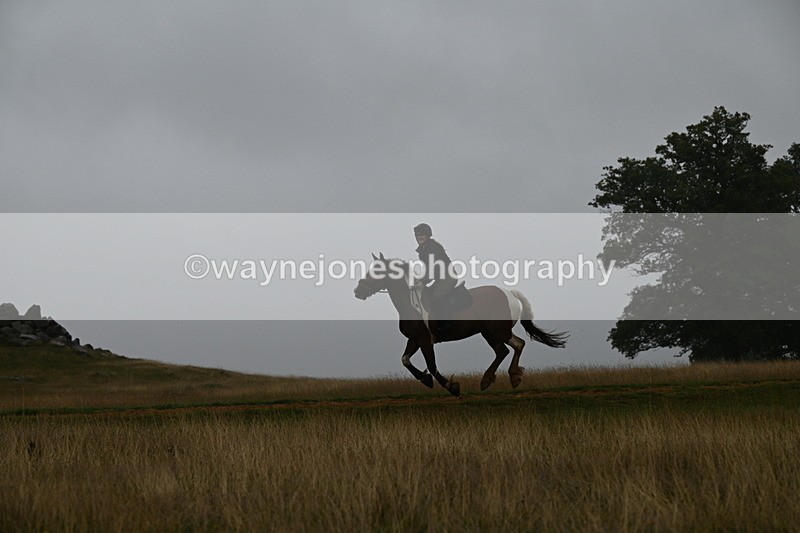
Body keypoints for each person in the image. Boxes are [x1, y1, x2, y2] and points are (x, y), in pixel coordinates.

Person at [413, 223, 458, 332]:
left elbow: (436, 269)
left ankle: (447, 323)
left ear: (428, 235)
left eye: (422, 235)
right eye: (417, 235)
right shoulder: (422, 251)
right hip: (439, 278)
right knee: (426, 295)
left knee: (437, 295)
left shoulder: (434, 248)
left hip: (448, 276)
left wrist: (423, 281)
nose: (419, 237)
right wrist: (419, 280)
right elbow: (429, 270)